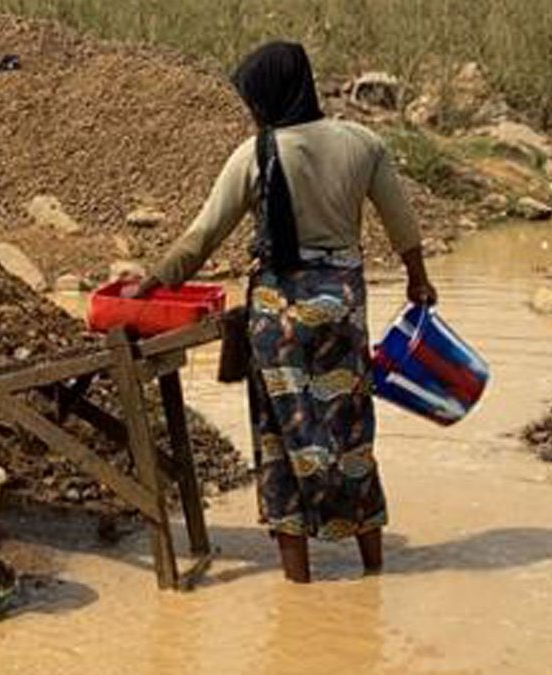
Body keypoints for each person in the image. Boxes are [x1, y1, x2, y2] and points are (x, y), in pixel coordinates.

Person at [128, 41, 436, 583]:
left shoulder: (256, 154)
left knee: (282, 440)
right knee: (350, 430)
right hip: (343, 307)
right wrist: (418, 280)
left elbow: (202, 236)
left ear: (269, 94)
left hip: (280, 316)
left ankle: (300, 588)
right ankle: (374, 574)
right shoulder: (363, 143)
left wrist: (150, 284)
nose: (251, 109)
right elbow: (401, 223)